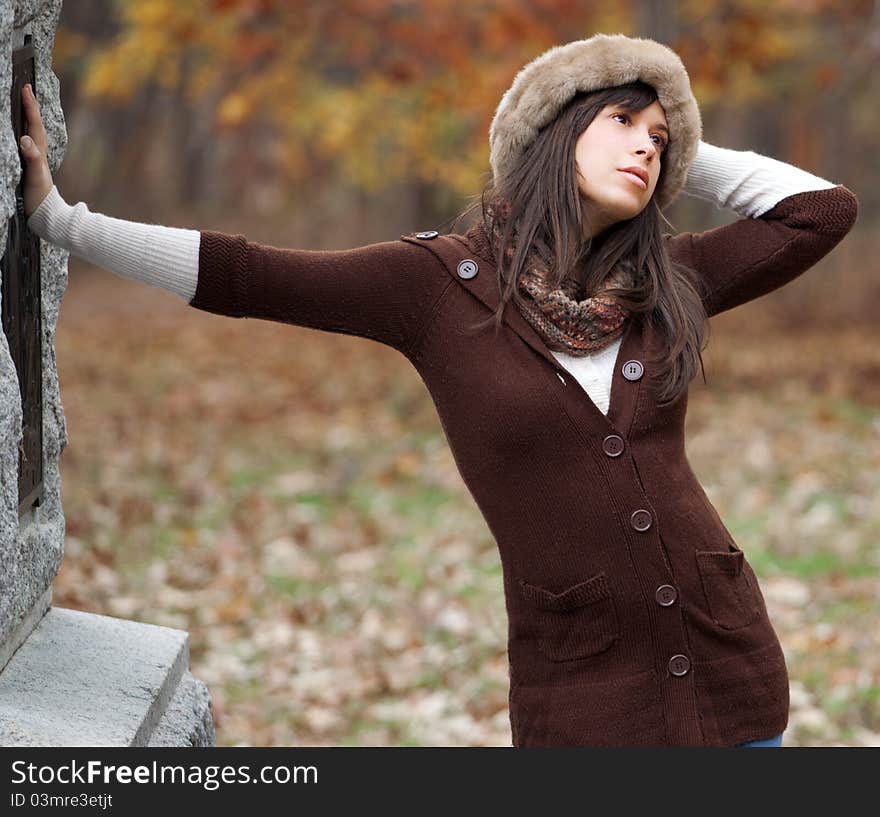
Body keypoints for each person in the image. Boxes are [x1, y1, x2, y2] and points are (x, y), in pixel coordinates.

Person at [19, 33, 858, 747]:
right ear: (556, 130)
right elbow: (247, 274)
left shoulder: (666, 283)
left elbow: (821, 212)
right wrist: (64, 219)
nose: (648, 146)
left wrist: (679, 138)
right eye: (622, 121)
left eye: (661, 140)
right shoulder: (434, 285)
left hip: (732, 678)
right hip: (584, 703)